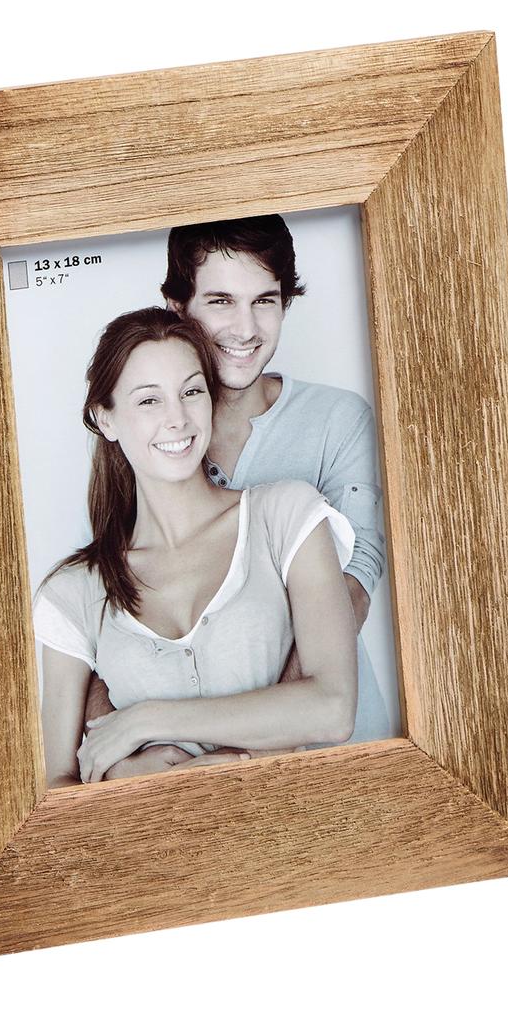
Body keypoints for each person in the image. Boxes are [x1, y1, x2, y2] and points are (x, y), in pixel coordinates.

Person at [85, 215, 390, 754]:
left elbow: (354, 586)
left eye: (264, 301)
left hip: (335, 755)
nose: (245, 328)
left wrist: (241, 754)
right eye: (221, 301)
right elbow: (108, 617)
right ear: (178, 307)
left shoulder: (339, 419)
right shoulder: (153, 438)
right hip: (187, 774)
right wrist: (116, 750)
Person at [34, 308, 358, 785]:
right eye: (149, 400)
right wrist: (126, 782)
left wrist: (146, 720)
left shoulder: (286, 516)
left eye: (191, 392)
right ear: (106, 419)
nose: (177, 419)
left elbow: (333, 708)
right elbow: (57, 787)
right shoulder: (73, 592)